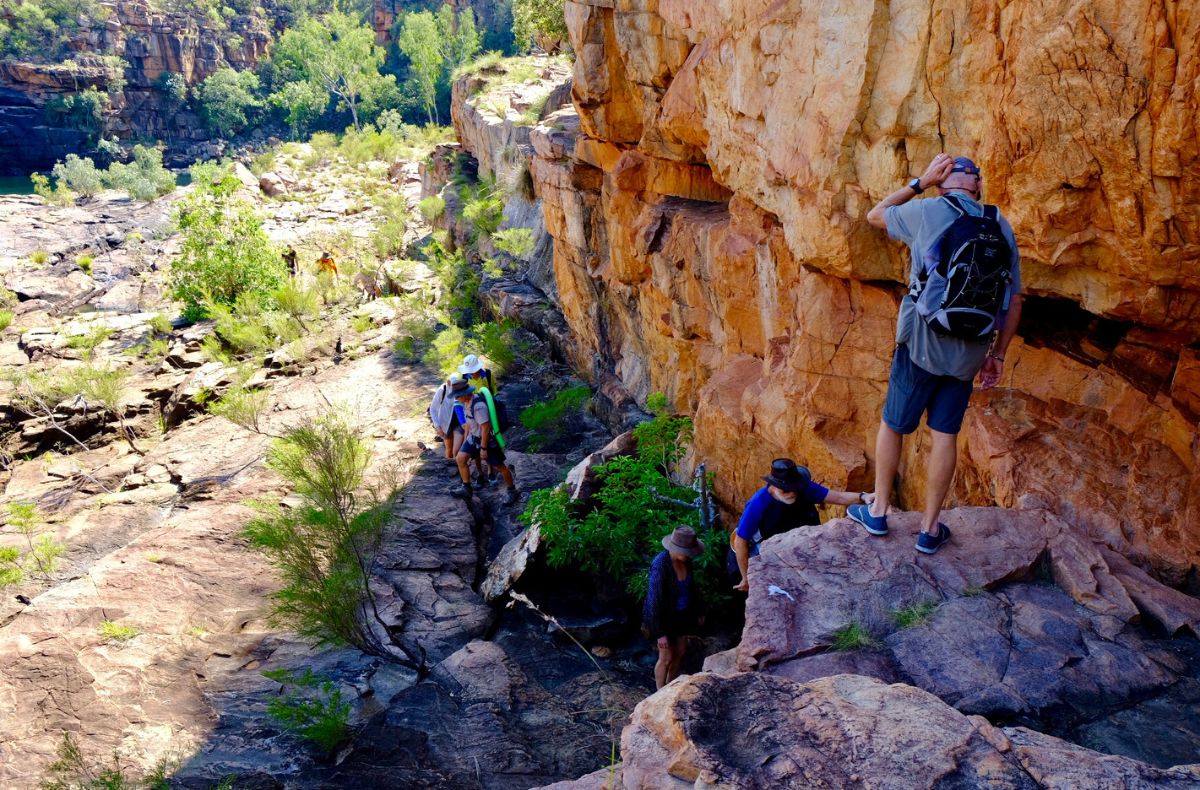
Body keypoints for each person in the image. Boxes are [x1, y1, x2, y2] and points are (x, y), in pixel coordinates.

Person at [850, 154, 1023, 555]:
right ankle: (929, 529)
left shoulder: (928, 209)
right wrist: (997, 355)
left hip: (921, 344)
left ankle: (877, 512)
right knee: (945, 434)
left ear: (945, 182)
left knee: (893, 424)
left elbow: (876, 215)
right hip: (970, 353)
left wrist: (921, 181)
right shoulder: (999, 223)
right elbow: (1014, 301)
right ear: (977, 186)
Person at [730, 458, 874, 592]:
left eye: (794, 487)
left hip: (803, 543)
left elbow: (838, 497)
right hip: (770, 549)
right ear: (773, 486)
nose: (792, 493)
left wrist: (863, 496)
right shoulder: (758, 504)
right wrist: (746, 577)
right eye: (785, 489)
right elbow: (740, 540)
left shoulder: (803, 488)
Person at [643, 526, 707, 690]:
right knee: (666, 656)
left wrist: (699, 610)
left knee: (680, 651)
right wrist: (660, 633)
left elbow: (692, 588)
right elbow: (653, 601)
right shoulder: (661, 565)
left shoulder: (686, 562)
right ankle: (659, 690)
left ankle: (670, 687)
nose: (690, 555)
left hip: (683, 615)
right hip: (664, 618)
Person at [450, 377, 519, 505]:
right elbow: (469, 424)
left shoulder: (478, 406)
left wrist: (484, 448)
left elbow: (486, 427)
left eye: (457, 396)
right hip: (473, 438)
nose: (456, 398)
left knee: (499, 466)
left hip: (487, 441)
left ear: (464, 394)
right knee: (460, 458)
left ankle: (512, 491)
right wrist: (466, 440)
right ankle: (466, 488)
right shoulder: (466, 403)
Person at [429, 374, 465, 462]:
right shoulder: (443, 390)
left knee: (457, 450)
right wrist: (437, 426)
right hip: (446, 423)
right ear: (448, 383)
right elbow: (433, 409)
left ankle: (460, 467)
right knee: (448, 448)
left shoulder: (462, 390)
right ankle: (449, 466)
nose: (454, 387)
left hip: (459, 423)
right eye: (453, 385)